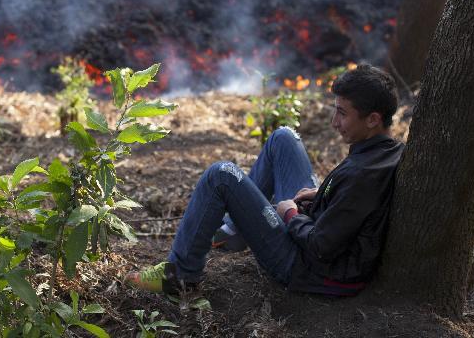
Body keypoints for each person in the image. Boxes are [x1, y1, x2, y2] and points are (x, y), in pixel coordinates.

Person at [125, 64, 404, 297]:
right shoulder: (389, 150)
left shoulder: (361, 176)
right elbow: (352, 206)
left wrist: (290, 213)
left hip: (310, 269)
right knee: (283, 138)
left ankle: (180, 275)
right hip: (319, 230)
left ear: (372, 120)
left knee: (221, 175)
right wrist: (324, 195)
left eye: (342, 113)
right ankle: (234, 231)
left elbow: (322, 246)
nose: (334, 122)